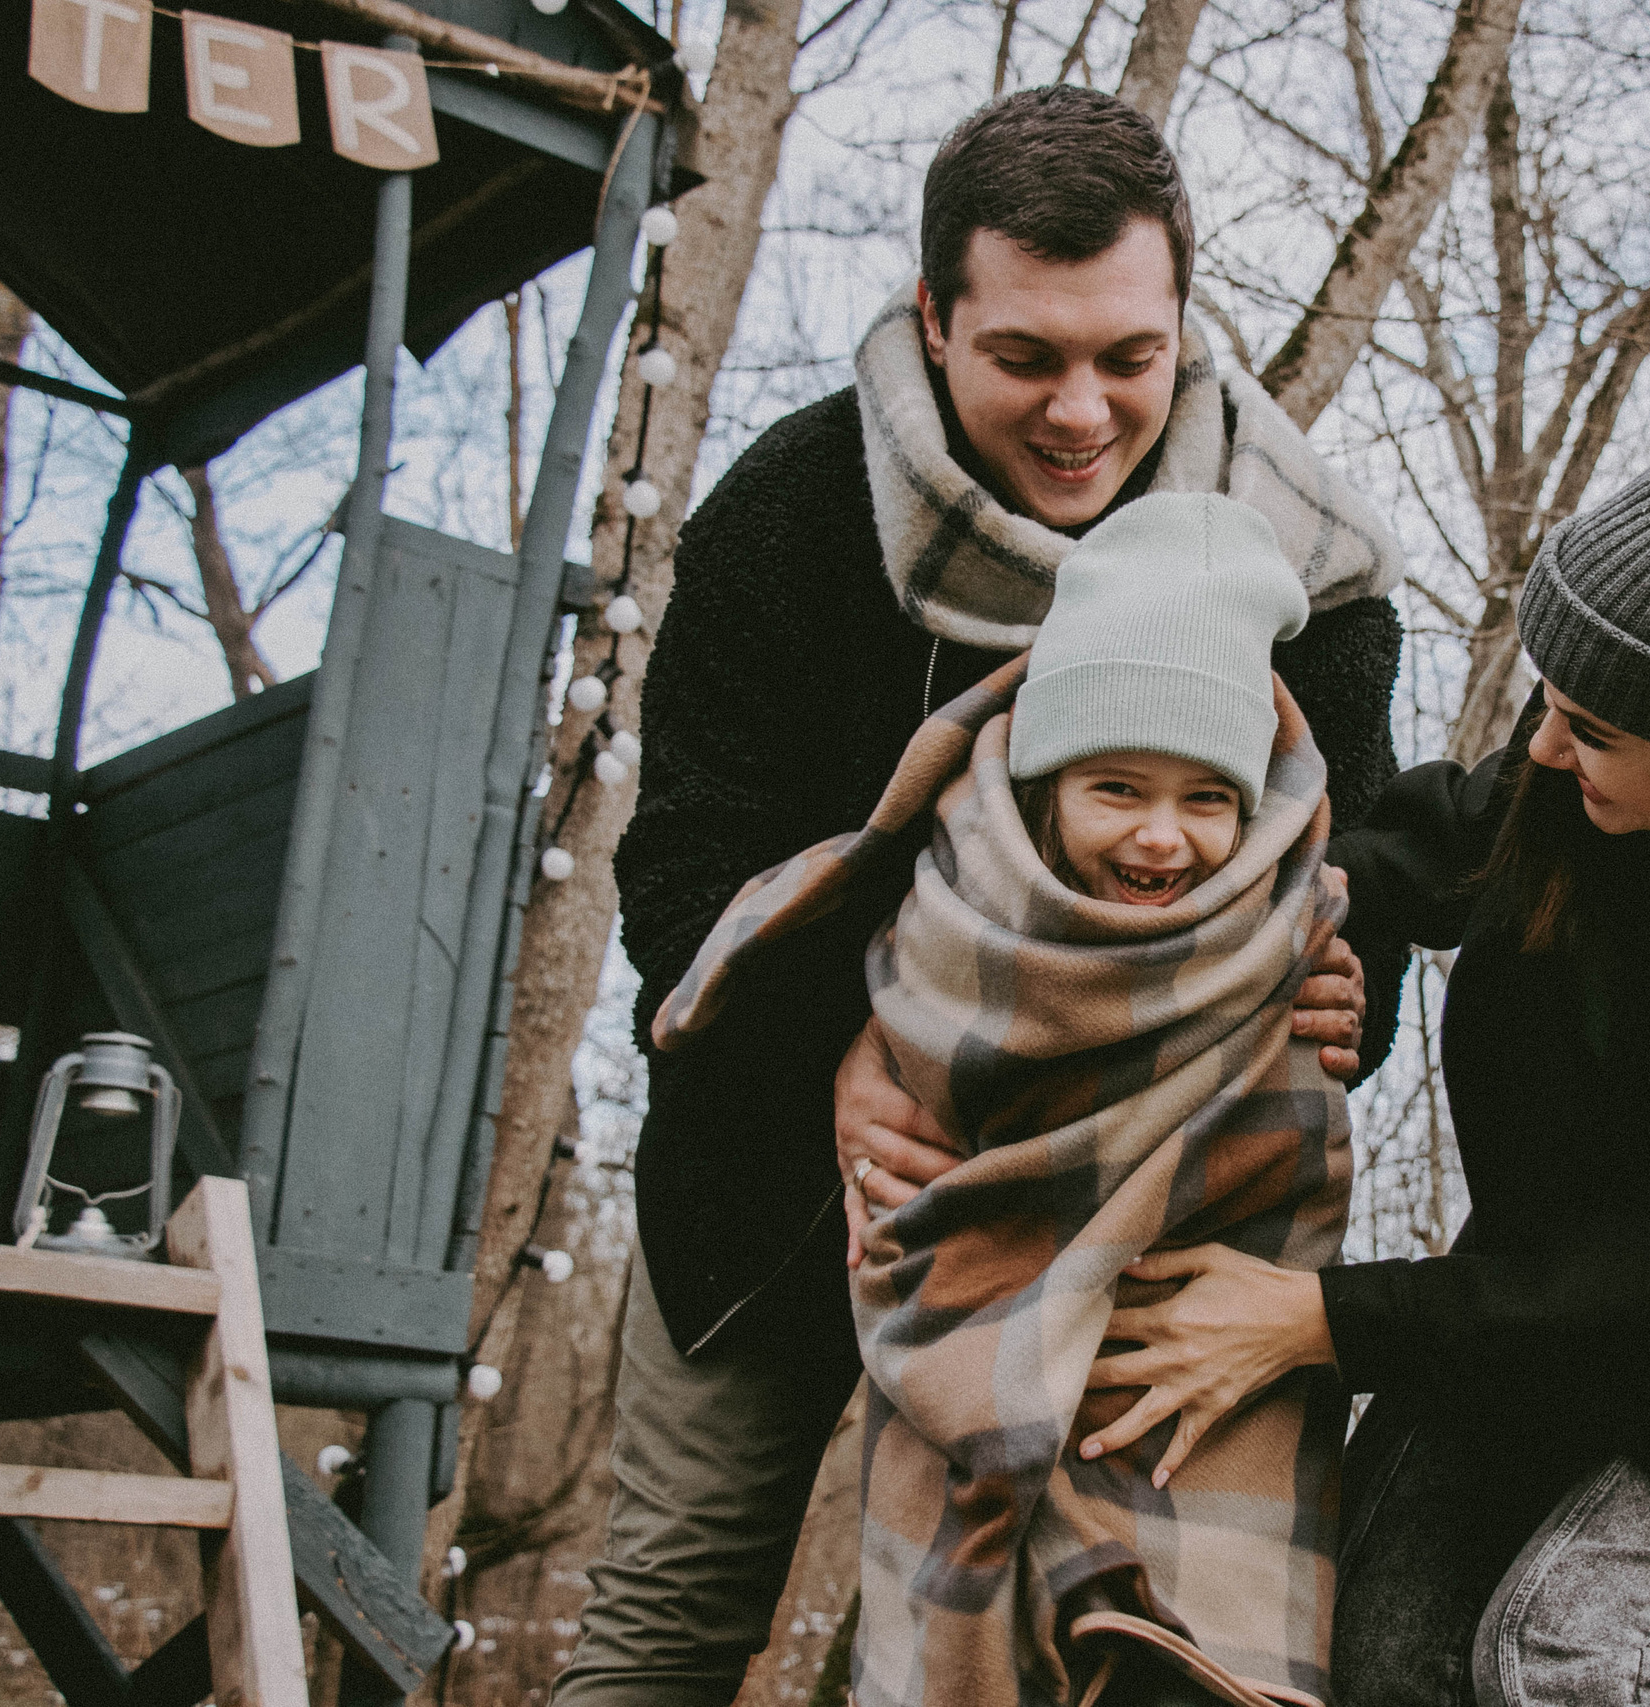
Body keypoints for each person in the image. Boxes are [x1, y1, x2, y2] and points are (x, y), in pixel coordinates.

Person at [554, 88, 1406, 1707]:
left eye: (1127, 357)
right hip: (789, 1174)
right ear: (934, 318)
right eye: (1027, 356)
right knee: (668, 1620)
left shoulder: (1315, 584)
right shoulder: (793, 518)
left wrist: (1360, 990)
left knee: (1007, 1654)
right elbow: (677, 882)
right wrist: (851, 1056)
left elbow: (1356, 892)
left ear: (1182, 322)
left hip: (1113, 1211)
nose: (1083, 409)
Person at [1046, 411, 1650, 1706]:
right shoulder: (1590, 768)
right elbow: (1438, 836)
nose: (1549, 753)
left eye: (1596, 733)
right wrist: (1300, 926)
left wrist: (1317, 1319)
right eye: (1554, 711)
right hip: (1533, 1304)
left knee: (1562, 1658)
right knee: (1383, 1654)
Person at [657, 493, 1355, 1707]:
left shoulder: (1291, 938)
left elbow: (1281, 1162)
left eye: (1207, 799)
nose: (1163, 839)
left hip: (1200, 1361)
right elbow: (915, 1203)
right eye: (1117, 790)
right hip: (972, 1344)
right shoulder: (943, 929)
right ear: (1045, 784)